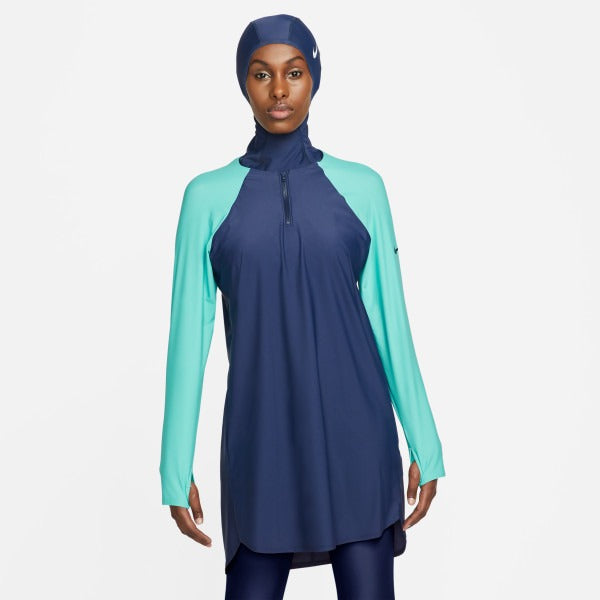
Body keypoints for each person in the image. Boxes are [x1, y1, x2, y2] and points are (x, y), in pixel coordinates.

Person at [159, 13, 446, 599]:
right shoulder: (206, 198)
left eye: (293, 72)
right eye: (262, 74)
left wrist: (425, 442)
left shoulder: (363, 188)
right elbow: (188, 336)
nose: (279, 90)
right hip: (260, 442)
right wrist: (174, 463)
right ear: (243, 82)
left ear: (314, 77)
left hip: (357, 440)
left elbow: (390, 321)